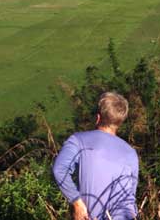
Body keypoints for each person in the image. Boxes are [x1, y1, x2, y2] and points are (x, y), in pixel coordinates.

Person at [53, 92, 139, 220]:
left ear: (98, 117)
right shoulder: (131, 153)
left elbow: (59, 169)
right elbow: (129, 197)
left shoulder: (78, 140)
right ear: (119, 122)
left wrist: (77, 202)